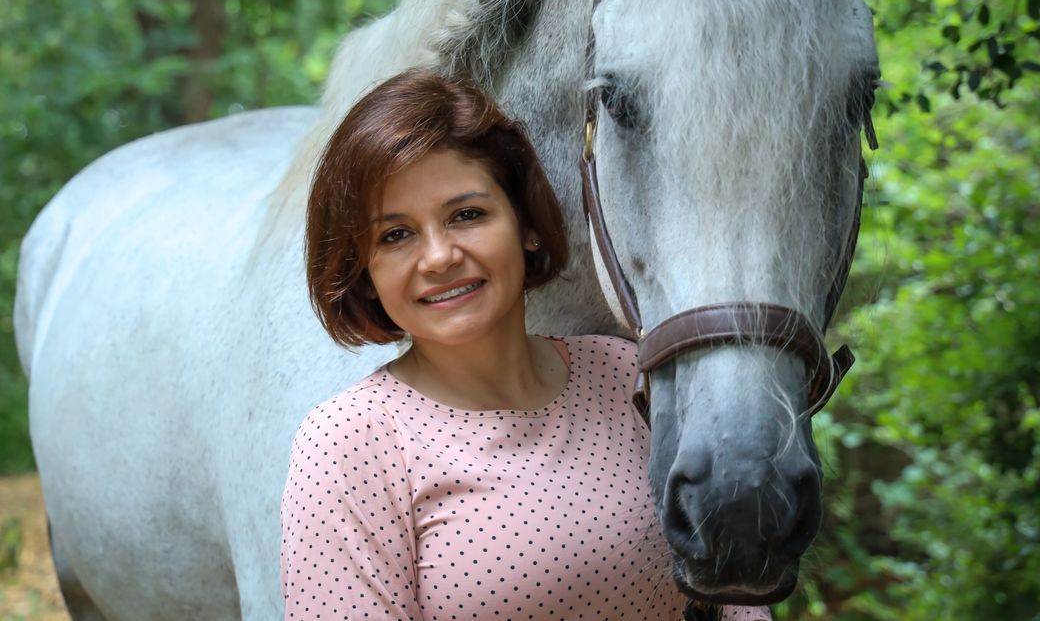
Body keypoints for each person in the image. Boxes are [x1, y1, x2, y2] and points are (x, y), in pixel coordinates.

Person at [281, 68, 770, 620]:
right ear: (365, 271)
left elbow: (733, 602)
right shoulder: (349, 443)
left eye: (466, 215)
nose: (438, 257)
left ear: (526, 224)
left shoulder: (627, 375)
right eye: (395, 235)